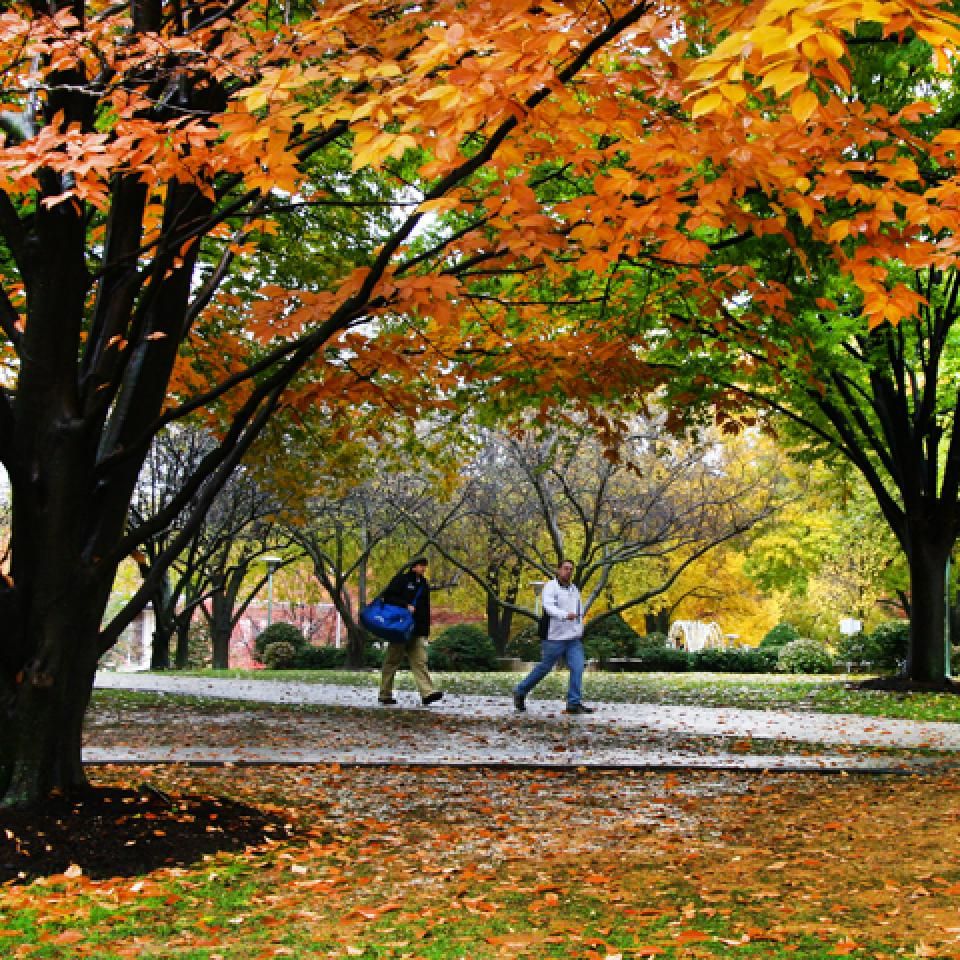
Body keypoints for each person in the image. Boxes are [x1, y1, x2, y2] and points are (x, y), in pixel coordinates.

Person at [513, 559, 594, 715]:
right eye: (565, 568)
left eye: (571, 569)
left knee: (577, 667)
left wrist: (579, 629)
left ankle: (573, 703)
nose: (568, 571)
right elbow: (549, 607)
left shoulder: (574, 589)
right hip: (554, 637)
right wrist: (565, 615)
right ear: (558, 570)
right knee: (545, 667)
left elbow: (579, 611)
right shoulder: (551, 587)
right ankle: (520, 691)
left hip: (572, 638)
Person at [377, 558, 443, 707]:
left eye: (425, 566)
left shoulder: (424, 584)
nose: (424, 569)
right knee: (392, 661)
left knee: (420, 661)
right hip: (400, 628)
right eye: (421, 566)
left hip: (417, 629)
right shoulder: (401, 580)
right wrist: (404, 605)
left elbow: (425, 609)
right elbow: (388, 597)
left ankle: (427, 693)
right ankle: (385, 693)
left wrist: (425, 630)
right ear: (414, 566)